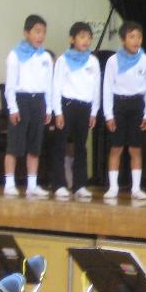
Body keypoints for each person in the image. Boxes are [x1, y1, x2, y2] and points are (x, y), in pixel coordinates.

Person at [102, 21, 146, 204]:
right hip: (119, 104)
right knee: (116, 148)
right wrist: (108, 114)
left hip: (137, 105)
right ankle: (113, 187)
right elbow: (107, 88)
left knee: (135, 148)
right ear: (123, 39)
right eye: (132, 37)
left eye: (139, 36)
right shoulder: (113, 61)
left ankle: (136, 188)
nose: (136, 40)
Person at [3, 15, 53, 200]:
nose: (41, 36)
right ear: (26, 33)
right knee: (14, 145)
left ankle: (32, 185)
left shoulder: (46, 57)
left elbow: (49, 85)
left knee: (35, 145)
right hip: (21, 100)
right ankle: (9, 183)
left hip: (38, 101)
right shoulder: (15, 55)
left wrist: (48, 108)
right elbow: (10, 85)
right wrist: (13, 108)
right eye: (37, 32)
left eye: (43, 32)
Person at [50, 22, 100, 203]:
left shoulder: (93, 61)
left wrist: (94, 111)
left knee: (81, 146)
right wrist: (58, 112)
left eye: (89, 37)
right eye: (82, 36)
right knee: (60, 145)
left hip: (85, 107)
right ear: (72, 39)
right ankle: (59, 184)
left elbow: (96, 88)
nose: (86, 40)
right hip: (66, 105)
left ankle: (80, 185)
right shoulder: (63, 60)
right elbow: (56, 86)